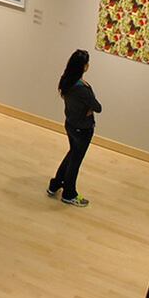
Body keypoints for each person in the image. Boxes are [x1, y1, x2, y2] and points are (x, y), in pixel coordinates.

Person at [47, 49, 100, 207]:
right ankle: (69, 193)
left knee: (72, 155)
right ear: (83, 67)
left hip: (70, 125)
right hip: (82, 129)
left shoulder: (66, 81)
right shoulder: (82, 88)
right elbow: (98, 107)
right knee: (75, 160)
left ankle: (55, 184)